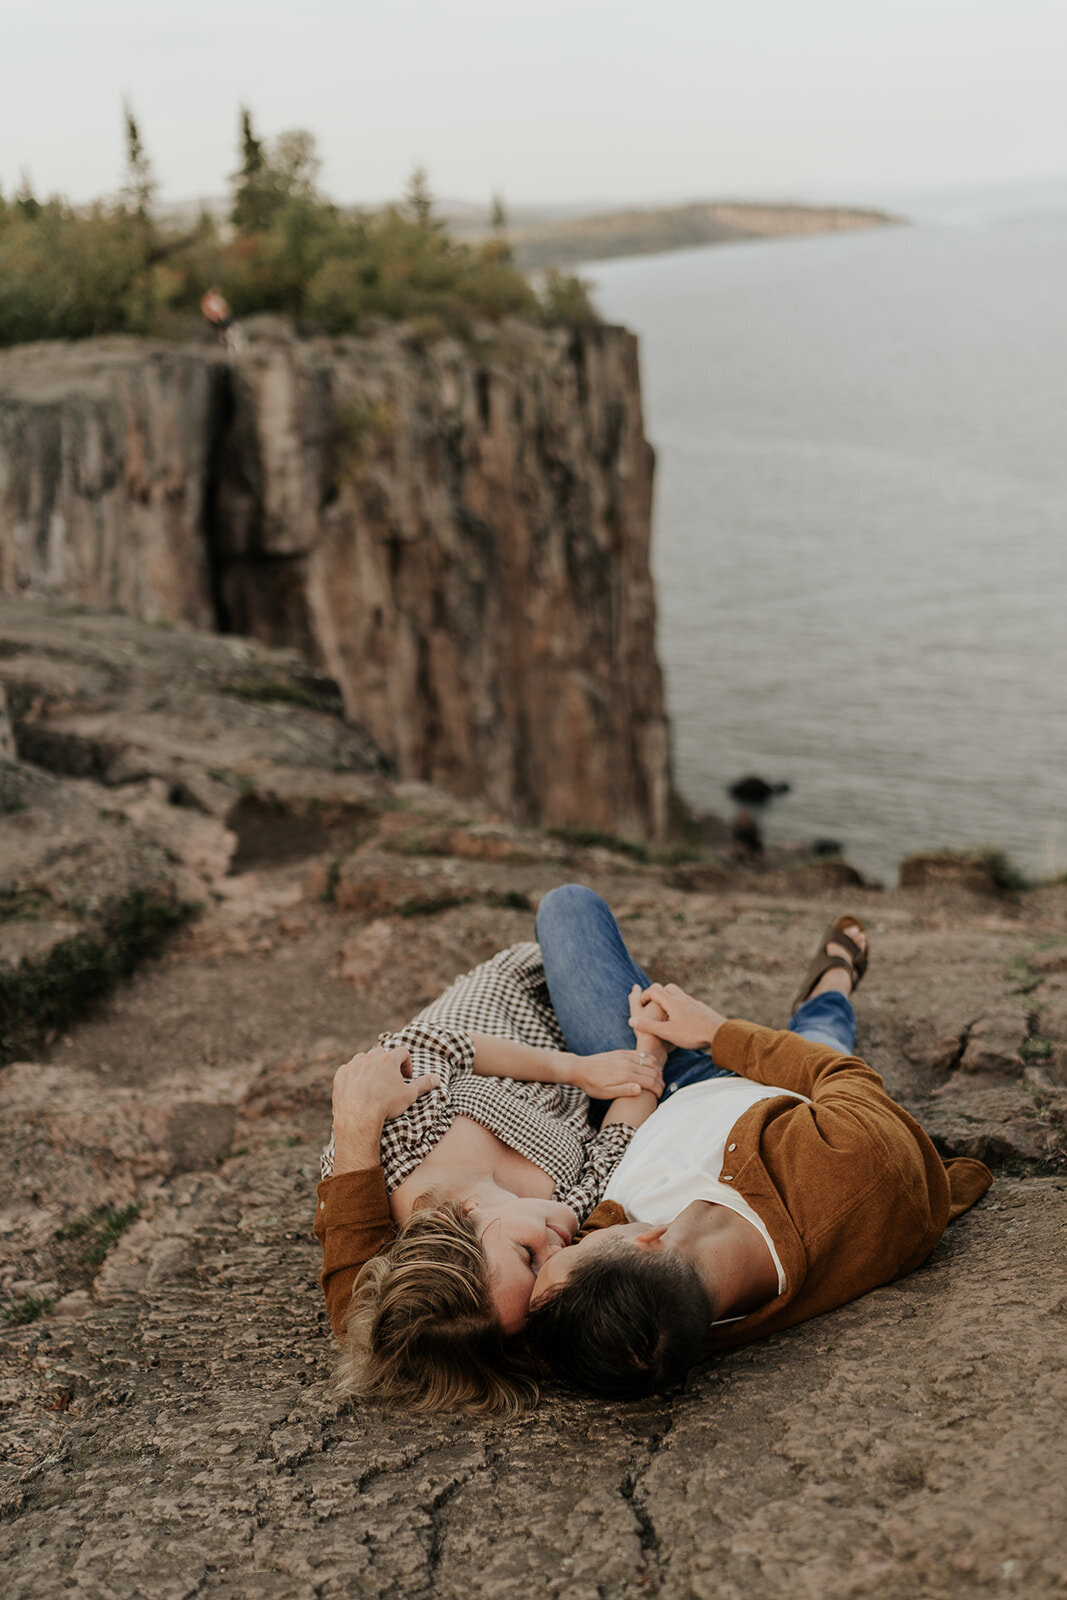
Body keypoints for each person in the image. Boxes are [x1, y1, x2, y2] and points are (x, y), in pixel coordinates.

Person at [524, 887, 993, 1398]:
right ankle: (832, 978)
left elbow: (591, 1275)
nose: (569, 1235)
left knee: (567, 908)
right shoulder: (854, 1165)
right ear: (648, 1239)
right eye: (572, 1249)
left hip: (655, 1080)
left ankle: (813, 1000)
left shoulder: (647, 1320)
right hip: (788, 1087)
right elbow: (836, 1073)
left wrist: (652, 1059)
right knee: (822, 1034)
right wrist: (716, 1031)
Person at [315, 940, 667, 1415]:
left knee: (566, 912)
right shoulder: (571, 1209)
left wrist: (576, 1069)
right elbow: (618, 1139)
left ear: (467, 1215)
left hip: (517, 1007)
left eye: (527, 1255)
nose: (556, 1253)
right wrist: (651, 1053)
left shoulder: (392, 1146)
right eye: (545, 1285)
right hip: (598, 1052)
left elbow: (442, 1043)